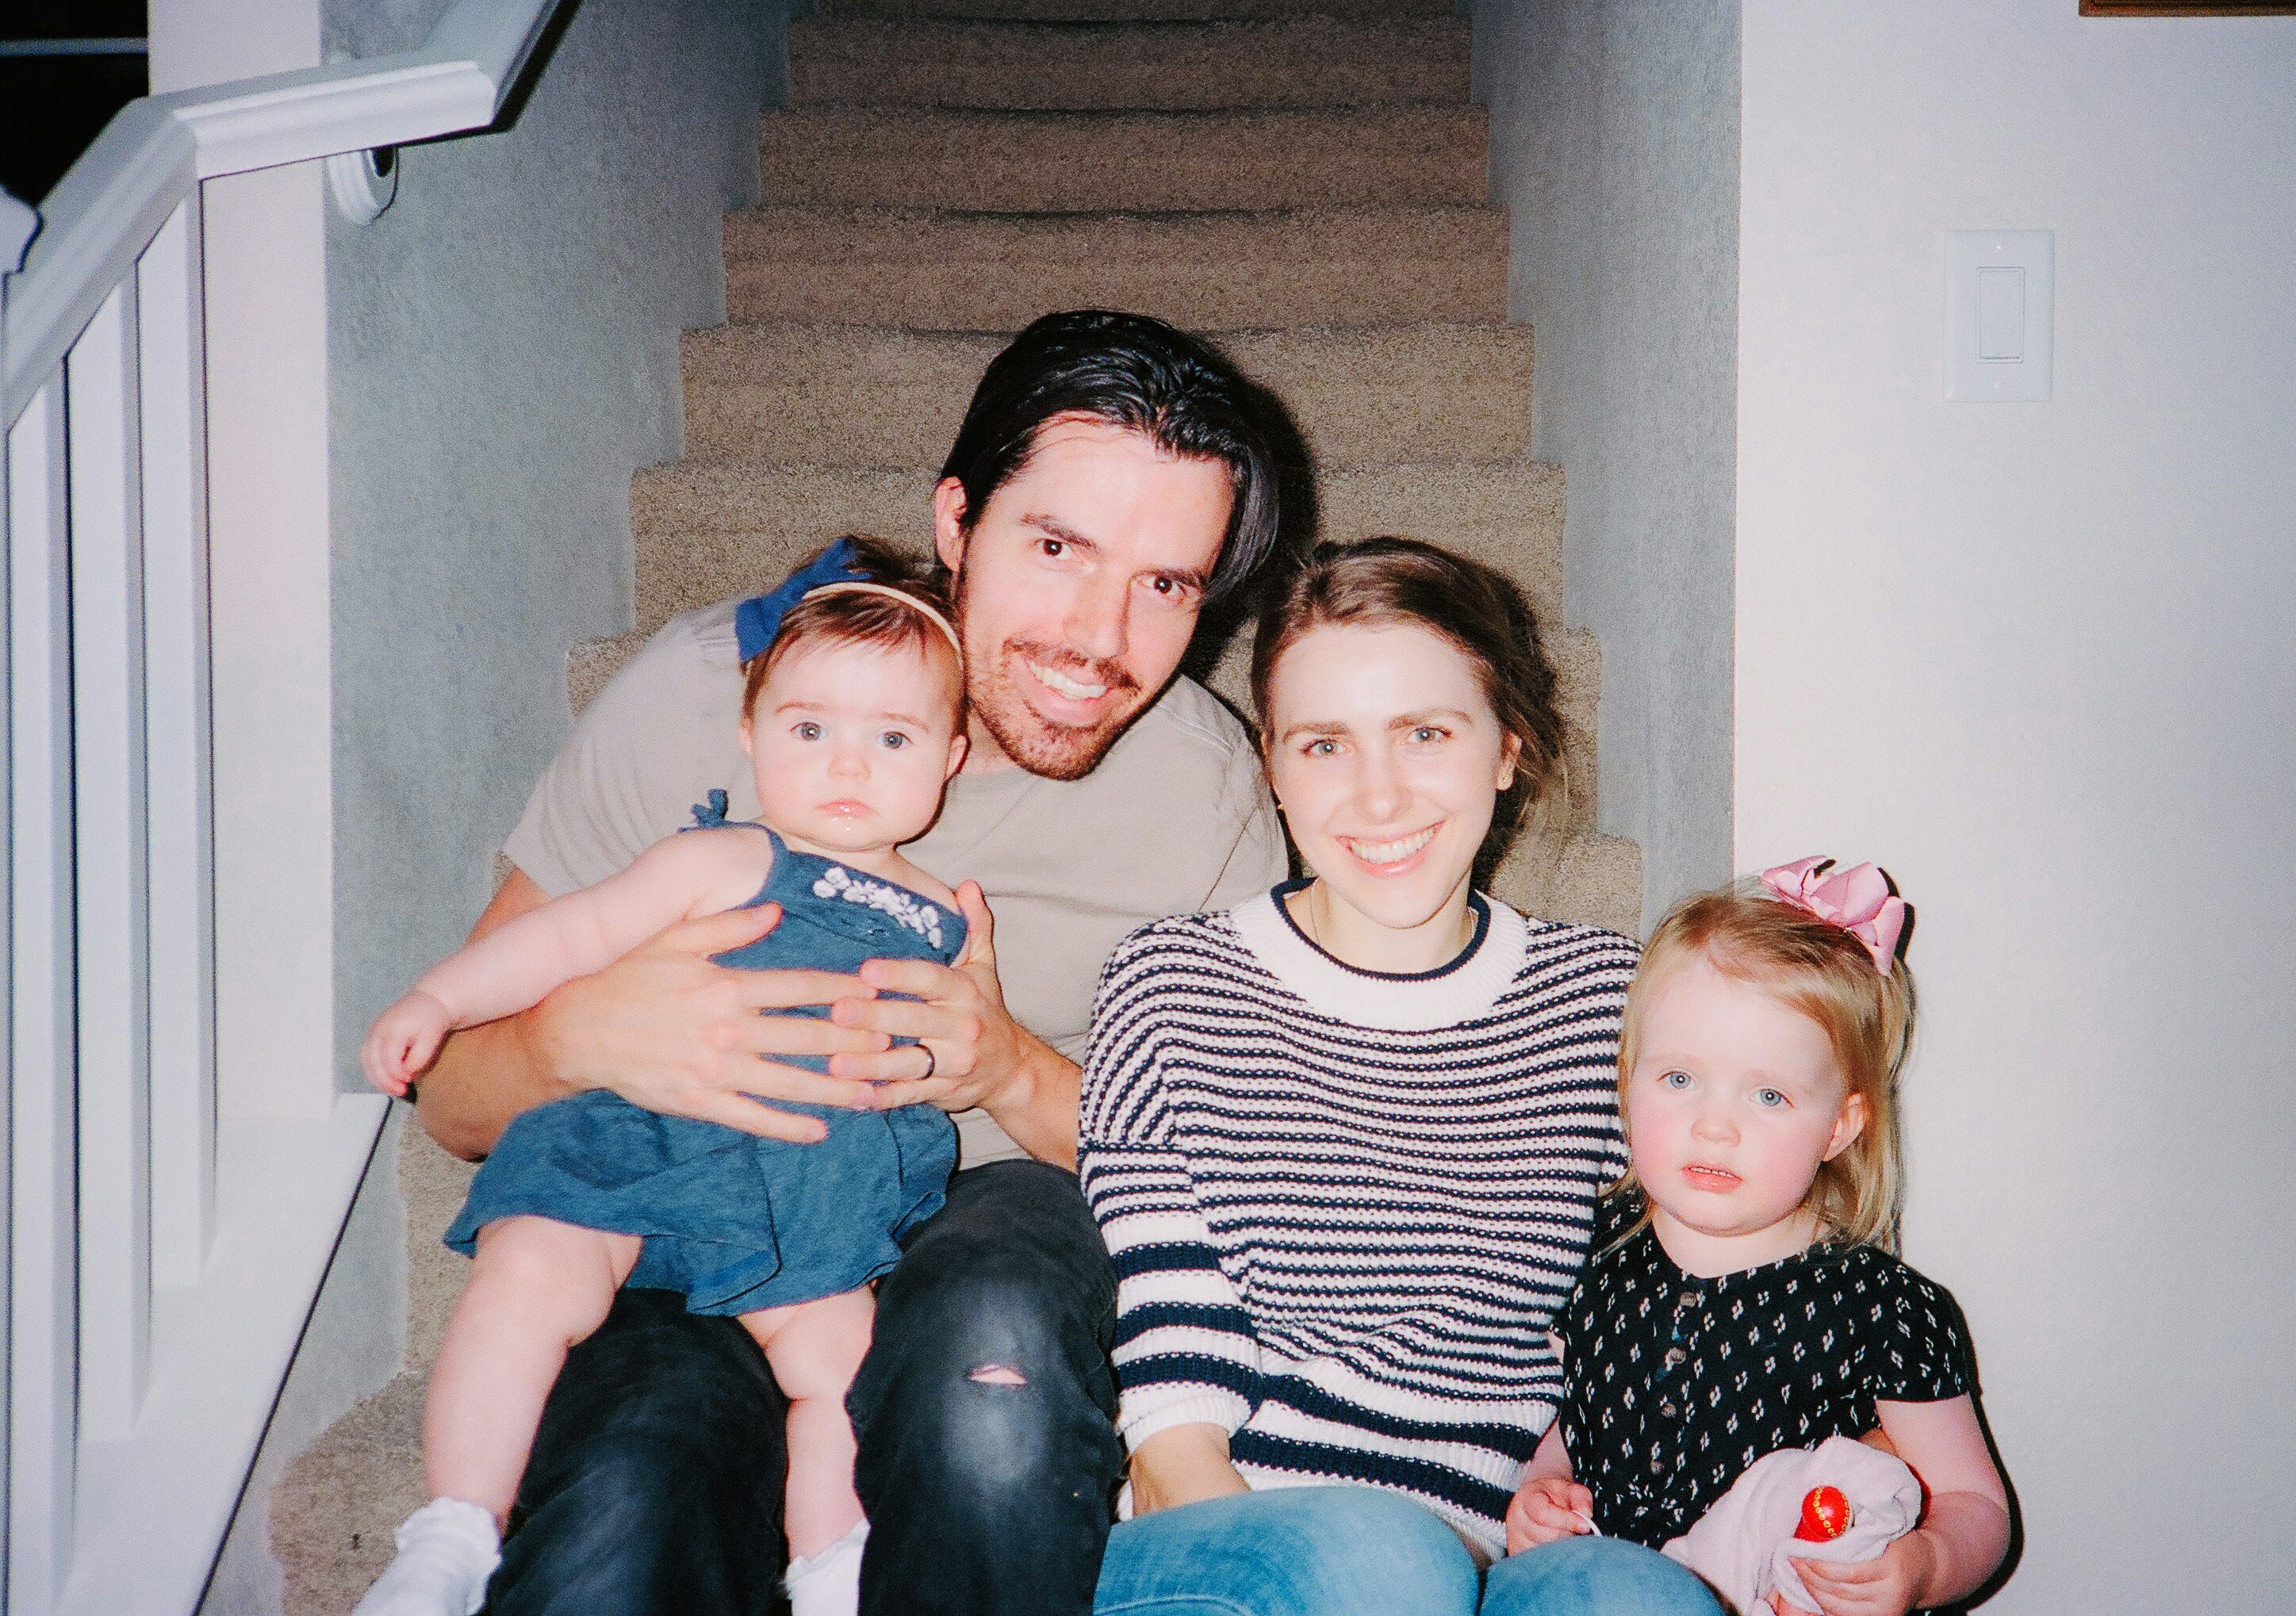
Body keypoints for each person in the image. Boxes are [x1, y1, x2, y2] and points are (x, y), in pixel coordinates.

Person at [407, 312, 1300, 1616]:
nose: (1099, 638)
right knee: (622, 1510)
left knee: (989, 1388)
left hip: (989, 1213)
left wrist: (1004, 1064)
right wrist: (574, 1040)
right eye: (1056, 549)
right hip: (690, 1204)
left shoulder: (1204, 790)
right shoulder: (712, 694)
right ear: (956, 521)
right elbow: (447, 1097)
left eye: (1166, 584)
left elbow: (1235, 1159)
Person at [1078, 538, 1722, 1616]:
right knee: (1380, 1561)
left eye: (1426, 734)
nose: (1380, 797)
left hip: (1490, 1557)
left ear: (1506, 748)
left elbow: (1680, 1284)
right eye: (1326, 744)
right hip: (1217, 1545)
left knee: (1636, 1595)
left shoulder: (1611, 1004)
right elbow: (1170, 1402)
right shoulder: (1174, 984)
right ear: (1274, 767)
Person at [353, 542, 970, 1616]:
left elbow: (943, 1051)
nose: (845, 764)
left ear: (951, 758)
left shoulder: (944, 913)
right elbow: (568, 934)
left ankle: (829, 1564)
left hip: (805, 1180)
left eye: (892, 736)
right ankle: (452, 1531)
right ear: (750, 731)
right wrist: (441, 1000)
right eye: (810, 727)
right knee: (528, 1276)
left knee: (844, 1362)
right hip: (643, 1139)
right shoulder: (724, 856)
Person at [1504, 858, 2011, 1615]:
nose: (1714, 1125)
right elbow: (1577, 1418)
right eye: (1679, 1079)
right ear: (1628, 1077)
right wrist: (1542, 1489)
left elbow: (1976, 1503)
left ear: (1838, 1126)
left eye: (1769, 1095)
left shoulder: (1884, 1308)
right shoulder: (1591, 1242)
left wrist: (1921, 1568)